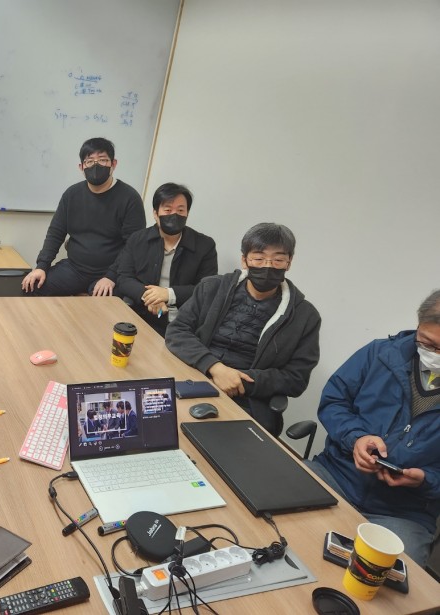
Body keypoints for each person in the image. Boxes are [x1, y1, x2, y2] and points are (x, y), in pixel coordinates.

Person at [307, 290, 440, 567]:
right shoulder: (380, 354)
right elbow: (334, 401)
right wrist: (356, 438)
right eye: (428, 344)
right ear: (418, 326)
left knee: (391, 578)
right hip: (335, 475)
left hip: (404, 512)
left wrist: (426, 479)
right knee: (268, 516)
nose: (435, 355)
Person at [166, 223, 320, 435]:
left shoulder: (305, 316)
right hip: (192, 375)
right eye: (259, 258)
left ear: (289, 262)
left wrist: (240, 381)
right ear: (244, 260)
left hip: (246, 400)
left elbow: (296, 378)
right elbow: (177, 330)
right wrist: (215, 368)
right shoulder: (212, 287)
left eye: (278, 260)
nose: (268, 266)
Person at [21, 137, 145, 296]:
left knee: (100, 303)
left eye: (102, 160)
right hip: (74, 269)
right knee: (31, 288)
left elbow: (133, 245)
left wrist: (111, 276)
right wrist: (41, 266)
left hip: (111, 272)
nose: (96, 165)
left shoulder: (130, 197)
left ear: (113, 164)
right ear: (81, 167)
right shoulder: (72, 194)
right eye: (89, 161)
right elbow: (56, 233)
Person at [114, 182, 217, 336]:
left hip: (182, 320)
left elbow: (207, 288)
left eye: (180, 210)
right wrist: (150, 297)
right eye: (168, 210)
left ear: (187, 213)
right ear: (156, 214)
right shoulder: (137, 239)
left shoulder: (205, 245)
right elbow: (124, 278)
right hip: (141, 311)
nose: (174, 215)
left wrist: (168, 294)